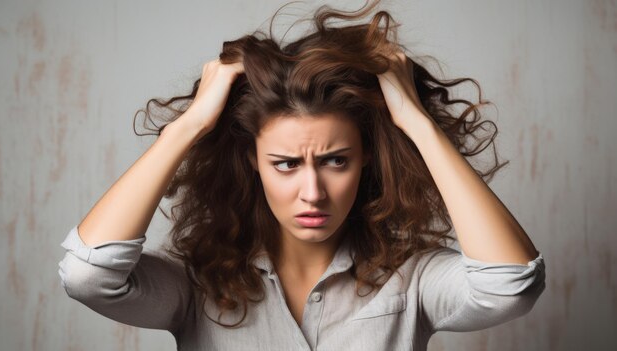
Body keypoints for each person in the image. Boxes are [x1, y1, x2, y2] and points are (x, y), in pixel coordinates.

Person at [57, 1, 546, 350]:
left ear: (367, 158)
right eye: (286, 164)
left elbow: (510, 286)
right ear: (251, 158)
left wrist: (416, 125)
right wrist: (189, 127)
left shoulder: (411, 278)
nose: (312, 193)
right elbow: (87, 276)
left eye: (336, 160)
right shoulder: (194, 282)